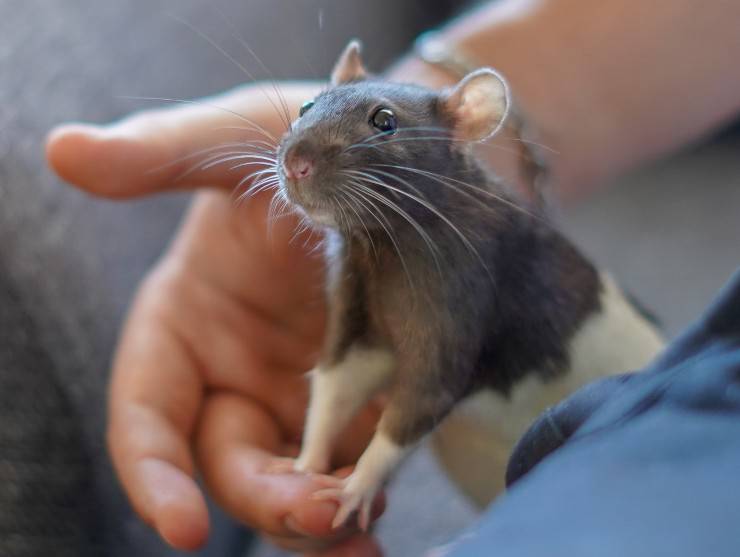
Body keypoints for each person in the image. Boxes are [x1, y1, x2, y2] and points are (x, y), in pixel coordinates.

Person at [45, 0, 740, 555]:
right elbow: (349, 356)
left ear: (466, 124)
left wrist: (367, 471)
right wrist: (315, 459)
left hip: (633, 441)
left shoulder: (463, 258)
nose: (299, 156)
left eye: (375, 120)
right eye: (313, 111)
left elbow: (430, 376)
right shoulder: (367, 237)